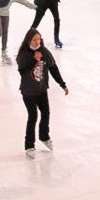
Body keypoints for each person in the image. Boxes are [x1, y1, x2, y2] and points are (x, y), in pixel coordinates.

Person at [16, 29, 68, 158]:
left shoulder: (44, 52)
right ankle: (29, 145)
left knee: (46, 113)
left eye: (38, 39)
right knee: (33, 116)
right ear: (29, 40)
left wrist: (62, 84)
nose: (36, 41)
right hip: (28, 91)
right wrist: (34, 60)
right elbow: (22, 72)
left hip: (41, 90)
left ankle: (44, 136)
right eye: (34, 39)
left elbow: (53, 68)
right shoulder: (24, 54)